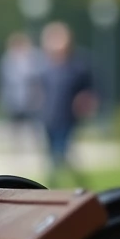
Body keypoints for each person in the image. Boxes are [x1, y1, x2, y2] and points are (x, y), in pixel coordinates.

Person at [38, 21, 98, 186]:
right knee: (55, 153)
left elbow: (90, 91)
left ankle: (56, 182)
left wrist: (85, 102)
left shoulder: (78, 66)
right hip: (49, 116)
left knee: (60, 152)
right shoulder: (46, 67)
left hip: (67, 116)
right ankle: (74, 181)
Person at [0, 30, 46, 153]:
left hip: (31, 98)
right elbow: (6, 79)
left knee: (34, 124)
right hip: (14, 98)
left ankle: (36, 146)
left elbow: (39, 75)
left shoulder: (34, 57)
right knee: (15, 125)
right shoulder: (8, 59)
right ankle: (17, 147)